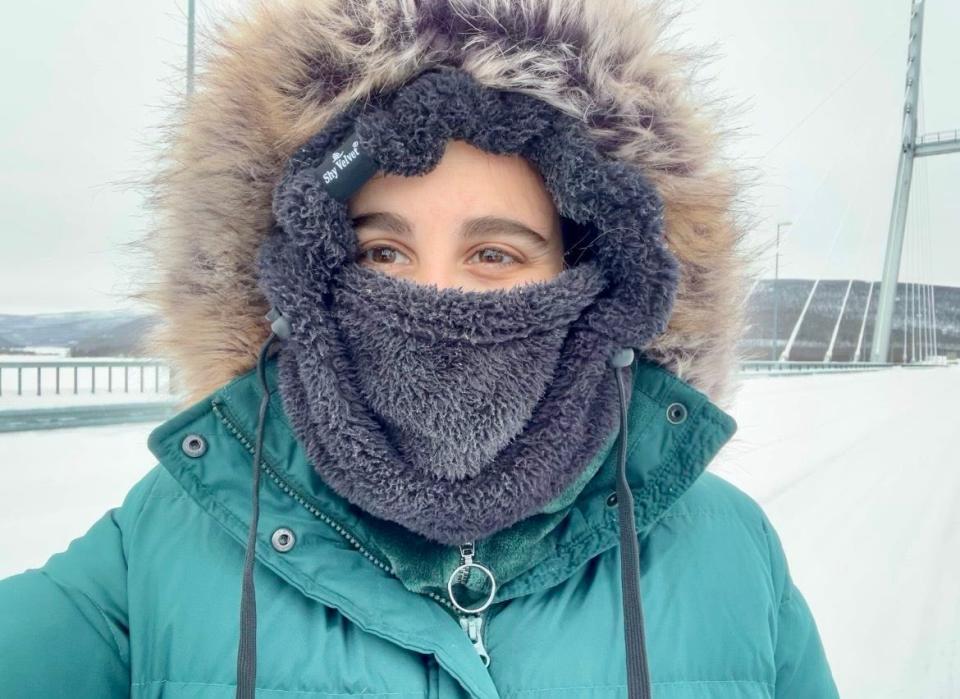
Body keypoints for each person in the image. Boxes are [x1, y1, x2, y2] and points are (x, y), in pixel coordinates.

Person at [0, 1, 840, 697]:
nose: (433, 299)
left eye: (495, 253)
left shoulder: (728, 550)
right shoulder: (173, 534)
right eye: (383, 252)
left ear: (591, 270)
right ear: (307, 271)